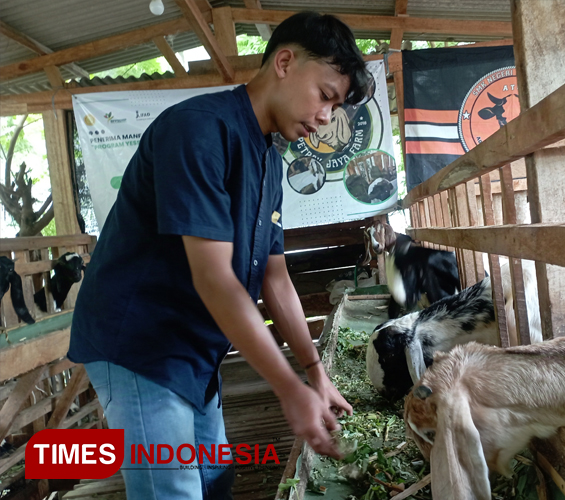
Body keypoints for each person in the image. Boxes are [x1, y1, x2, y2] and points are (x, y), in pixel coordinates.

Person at [67, 12, 371, 500]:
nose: (325, 117)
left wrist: (315, 372)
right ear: (286, 62)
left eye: (335, 108)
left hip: (195, 349)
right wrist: (289, 389)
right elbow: (214, 279)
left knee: (214, 477)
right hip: (140, 344)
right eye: (325, 96)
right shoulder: (198, 132)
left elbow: (275, 278)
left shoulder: (270, 159)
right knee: (173, 488)